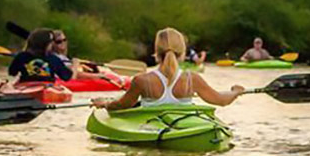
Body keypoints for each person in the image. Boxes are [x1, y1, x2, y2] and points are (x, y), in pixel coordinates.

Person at [92, 27, 244, 110]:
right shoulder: (192, 79)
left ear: (156, 52)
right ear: (183, 53)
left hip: (150, 130)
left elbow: (122, 105)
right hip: (182, 127)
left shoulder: (141, 80)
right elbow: (221, 100)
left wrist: (105, 103)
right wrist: (235, 92)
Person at [8, 28, 79, 82]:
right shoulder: (53, 59)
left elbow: (12, 73)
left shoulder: (21, 56)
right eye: (51, 41)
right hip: (47, 87)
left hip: (26, 85)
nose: (52, 44)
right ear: (46, 44)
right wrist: (75, 64)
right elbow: (68, 78)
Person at [52, 30, 122, 83]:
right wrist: (97, 76)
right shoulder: (56, 58)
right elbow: (74, 74)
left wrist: (81, 66)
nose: (63, 43)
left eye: (64, 40)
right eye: (59, 42)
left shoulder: (62, 57)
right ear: (53, 44)